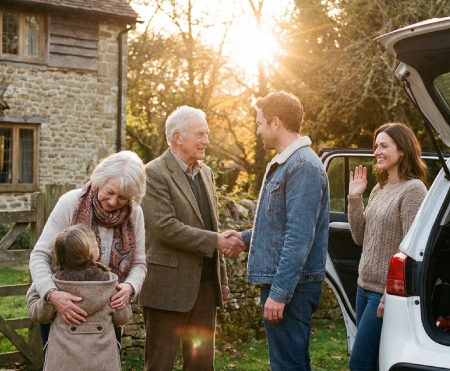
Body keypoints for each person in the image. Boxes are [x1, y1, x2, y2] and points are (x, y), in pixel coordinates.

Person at [231, 91, 330, 370]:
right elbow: (278, 225)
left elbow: (298, 237)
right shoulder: (288, 163)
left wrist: (279, 293)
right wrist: (242, 238)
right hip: (287, 287)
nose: (258, 129)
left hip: (292, 289)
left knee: (289, 366)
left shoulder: (302, 166)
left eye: (260, 122)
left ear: (276, 123)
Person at [139, 105, 243, 370]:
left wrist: (222, 279)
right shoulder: (153, 173)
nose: (206, 141)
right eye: (200, 134)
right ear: (177, 137)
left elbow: (212, 224)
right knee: (159, 365)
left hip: (206, 289)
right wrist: (216, 241)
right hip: (167, 289)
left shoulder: (206, 173)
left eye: (206, 134)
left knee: (201, 364)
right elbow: (165, 226)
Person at [29, 150, 147, 347]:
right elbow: (40, 255)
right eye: (110, 192)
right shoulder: (70, 203)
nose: (113, 202)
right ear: (99, 180)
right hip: (63, 312)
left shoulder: (135, 214)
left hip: (106, 316)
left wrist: (129, 287)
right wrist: (52, 294)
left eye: (122, 197)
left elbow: (139, 263)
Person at [347, 122, 428, 371]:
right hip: (363, 288)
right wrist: (354, 197)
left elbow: (410, 249)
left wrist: (387, 296)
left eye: (384, 146)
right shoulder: (379, 189)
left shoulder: (414, 190)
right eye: (376, 146)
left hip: (384, 294)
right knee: (371, 362)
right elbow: (359, 237)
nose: (377, 152)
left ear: (402, 150)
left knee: (359, 364)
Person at [27, 224, 132, 371]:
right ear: (91, 253)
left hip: (62, 363)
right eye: (96, 243)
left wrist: (40, 289)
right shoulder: (110, 284)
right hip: (103, 363)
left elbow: (38, 314)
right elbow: (122, 318)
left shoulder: (55, 286)